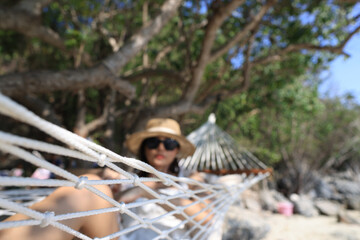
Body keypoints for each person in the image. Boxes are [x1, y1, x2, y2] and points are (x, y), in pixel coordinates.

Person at [0, 118, 214, 240]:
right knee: (90, 187)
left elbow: (207, 219)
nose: (160, 148)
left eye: (168, 143)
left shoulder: (189, 179)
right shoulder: (128, 177)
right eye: (152, 142)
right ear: (143, 147)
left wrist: (147, 191)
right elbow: (62, 178)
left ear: (177, 150)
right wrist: (103, 175)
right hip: (118, 235)